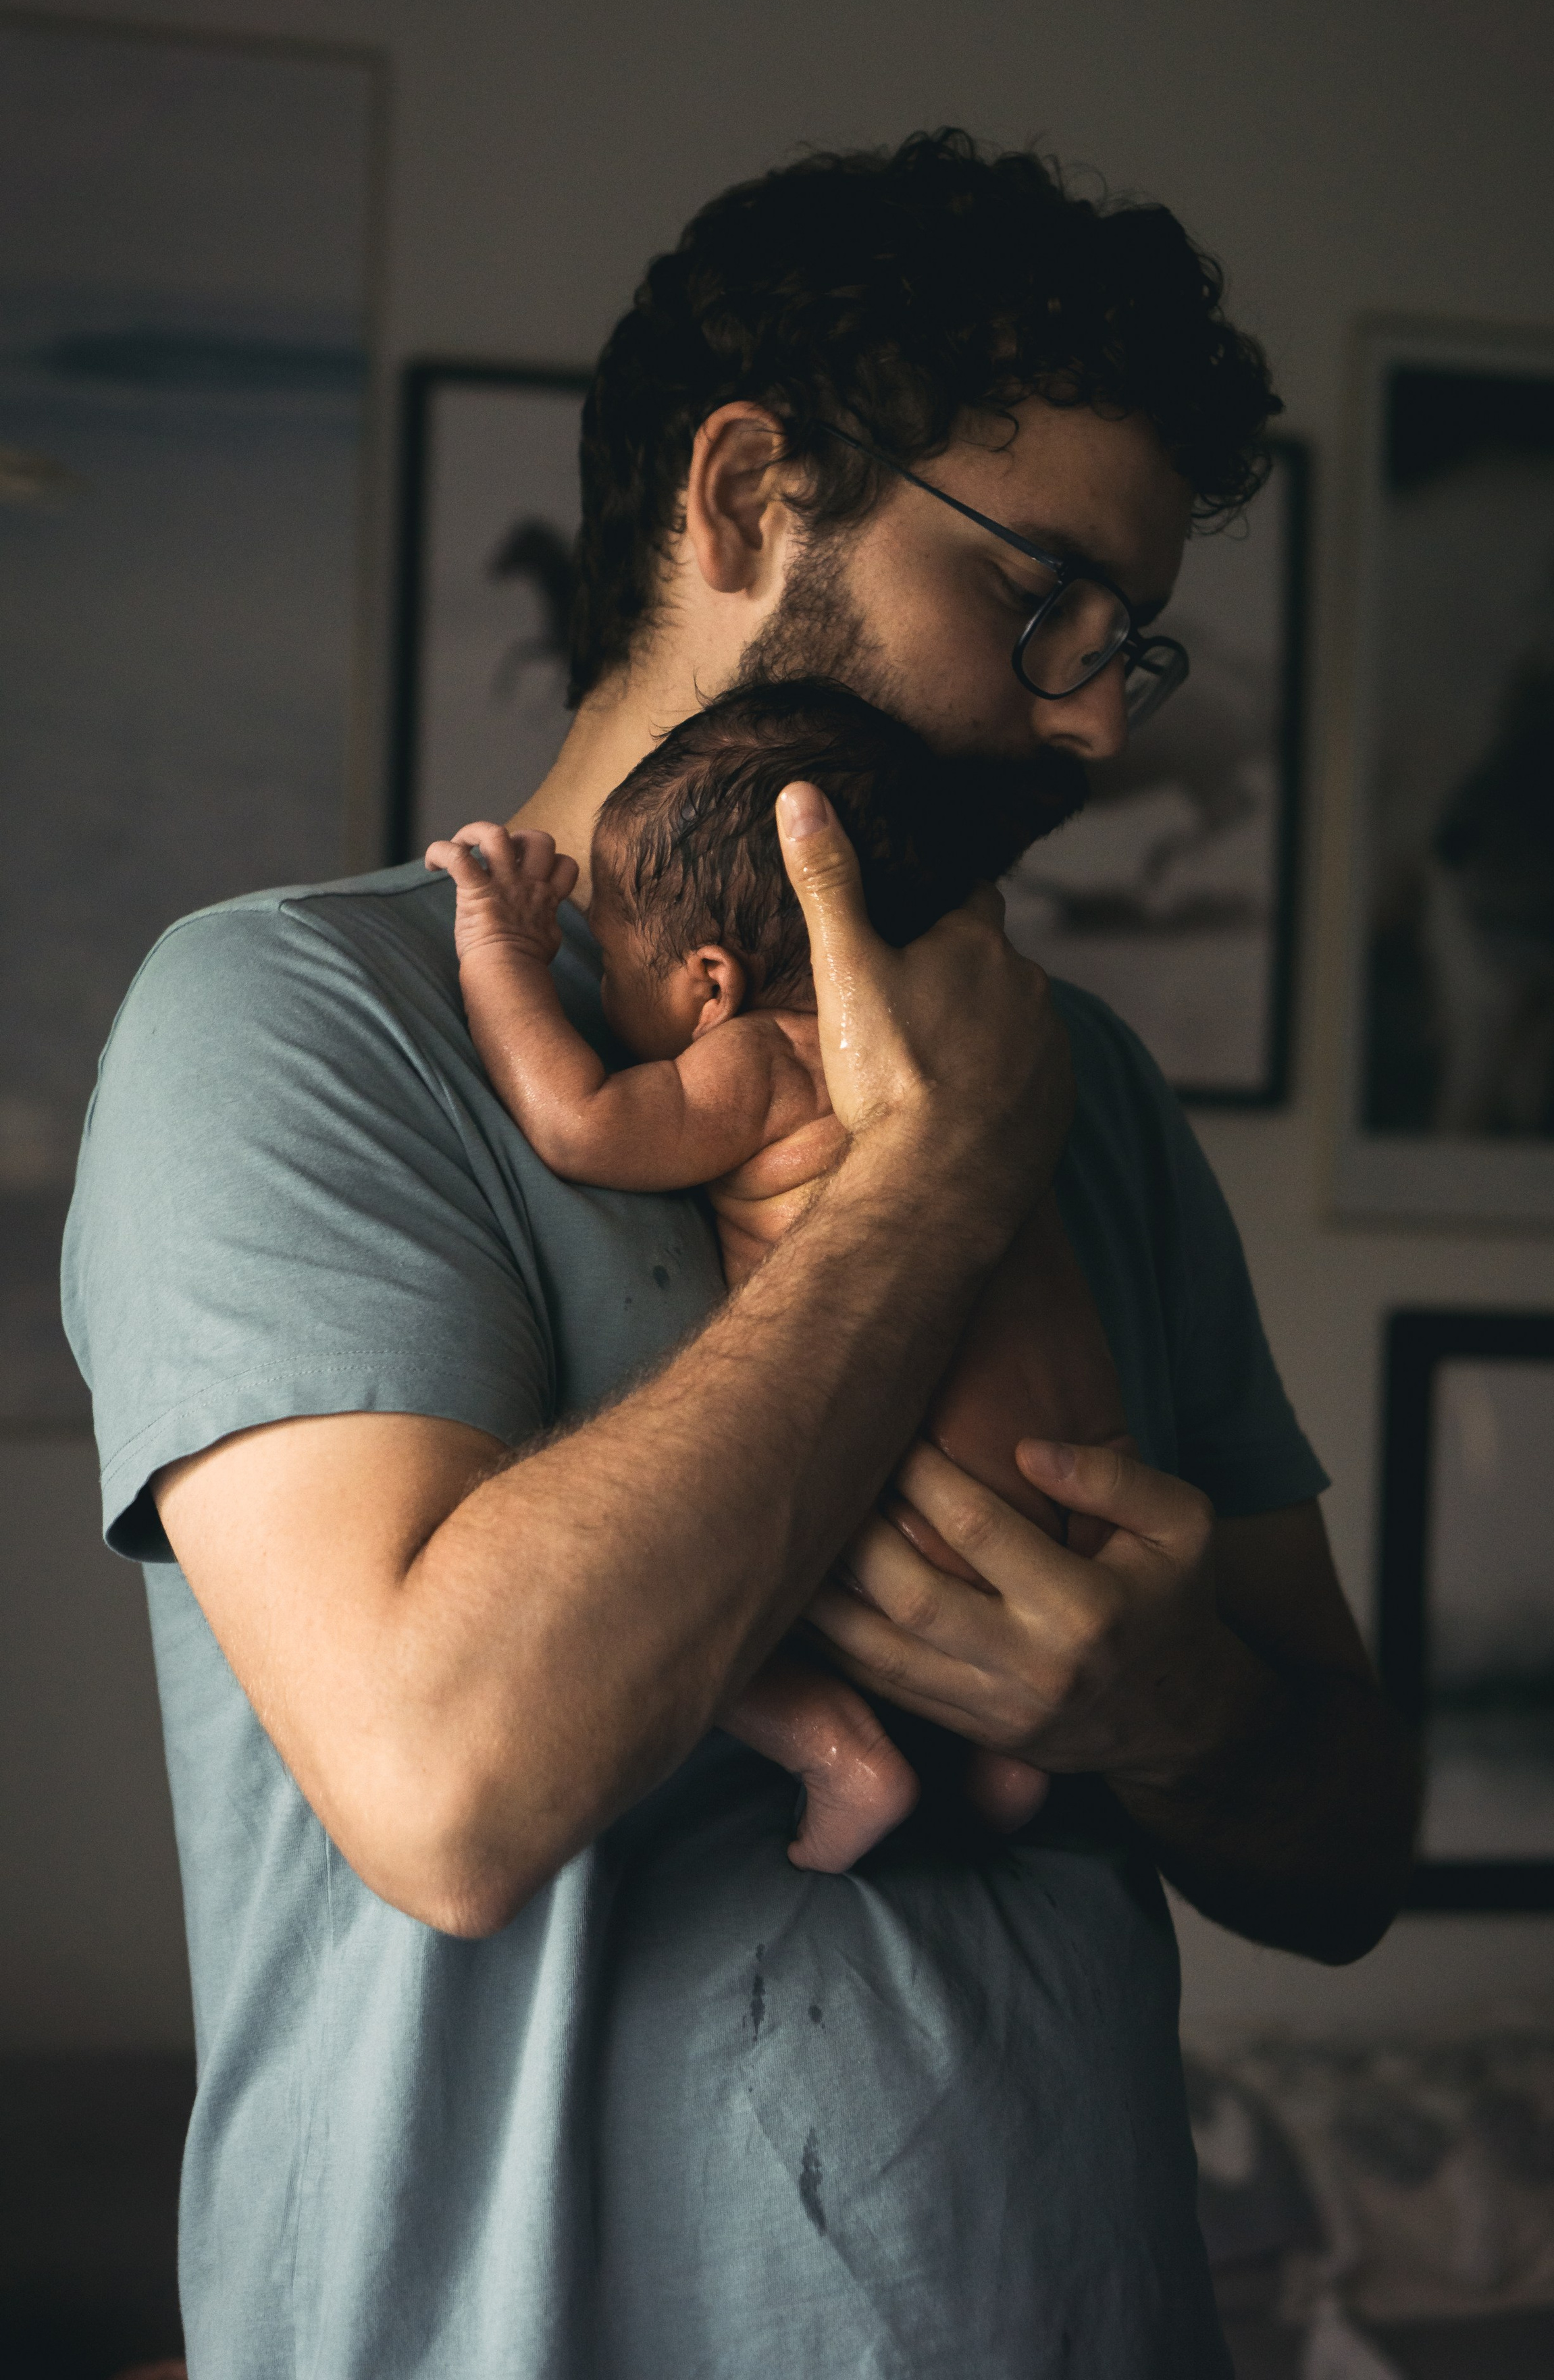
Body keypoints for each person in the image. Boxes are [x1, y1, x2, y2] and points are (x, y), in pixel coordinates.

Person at [64, 130, 1417, 2378]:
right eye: (1039, 598)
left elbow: (1349, 1855)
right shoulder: (292, 1023)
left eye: (1133, 644)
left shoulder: (1090, 1080)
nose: (1091, 712)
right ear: (737, 500)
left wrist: (1166, 1709)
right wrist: (922, 1190)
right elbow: (452, 1792)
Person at [431, 679, 1134, 1871]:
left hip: (917, 1518)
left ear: (710, 983)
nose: (601, 990)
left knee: (676, 1590)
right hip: (1072, 1498)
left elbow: (578, 1122)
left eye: (613, 964)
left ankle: (843, 1757)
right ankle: (1021, 1764)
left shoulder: (767, 1057)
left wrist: (501, 948)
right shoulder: (992, 1064)